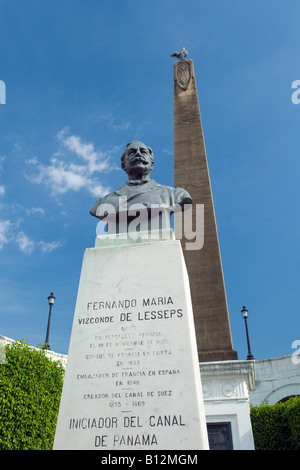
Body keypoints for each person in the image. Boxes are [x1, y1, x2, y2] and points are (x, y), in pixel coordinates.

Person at [90, 141, 192, 232]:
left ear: (151, 164)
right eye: (132, 152)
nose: (138, 154)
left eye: (143, 152)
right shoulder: (104, 201)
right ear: (123, 165)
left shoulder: (174, 194)